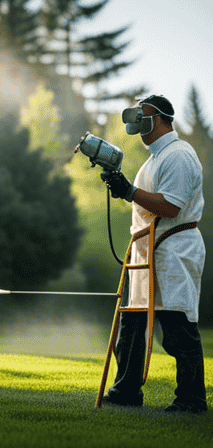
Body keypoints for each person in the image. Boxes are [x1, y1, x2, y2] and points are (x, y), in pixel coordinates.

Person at [100, 94, 207, 413]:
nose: (137, 119)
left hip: (174, 248)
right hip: (146, 251)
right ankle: (126, 391)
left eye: (142, 113)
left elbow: (171, 206)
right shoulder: (153, 159)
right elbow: (148, 203)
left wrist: (129, 191)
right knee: (131, 326)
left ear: (160, 117)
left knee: (176, 324)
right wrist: (124, 189)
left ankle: (191, 398)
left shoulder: (178, 154)